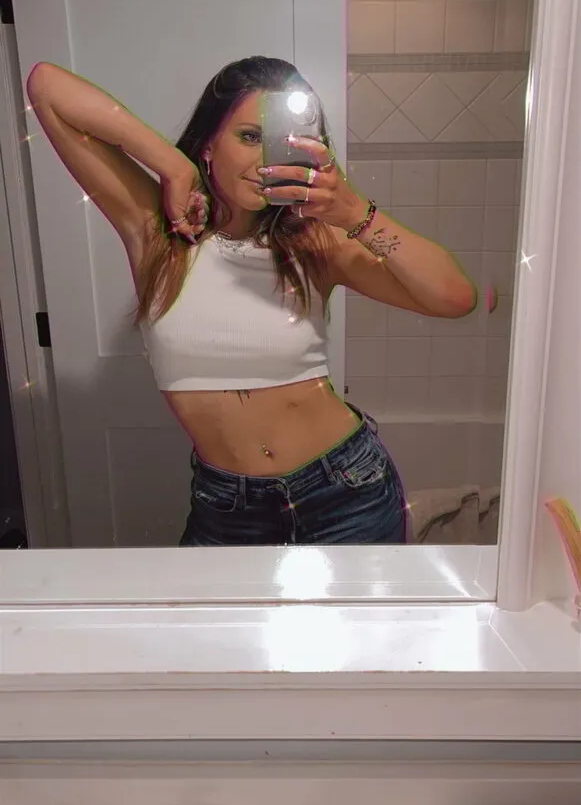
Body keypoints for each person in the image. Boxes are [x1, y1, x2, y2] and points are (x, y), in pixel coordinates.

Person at [26, 56, 477, 547]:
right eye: (248, 136)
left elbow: (454, 297)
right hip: (227, 508)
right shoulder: (158, 232)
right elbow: (47, 86)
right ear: (208, 144)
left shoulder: (315, 243)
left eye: (281, 141)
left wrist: (352, 212)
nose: (266, 158)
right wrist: (172, 166)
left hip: (346, 493)